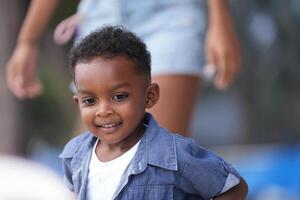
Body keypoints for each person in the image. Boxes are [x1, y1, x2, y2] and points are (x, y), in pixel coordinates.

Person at [59, 26, 247, 200]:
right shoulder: (74, 154)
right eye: (90, 101)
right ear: (78, 103)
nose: (104, 111)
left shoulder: (174, 155)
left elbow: (233, 187)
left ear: (150, 96)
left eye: (119, 96)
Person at [6, 0, 241, 136]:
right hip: (100, 15)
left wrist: (220, 18)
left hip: (169, 16)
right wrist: (28, 40)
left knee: (154, 164)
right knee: (92, 172)